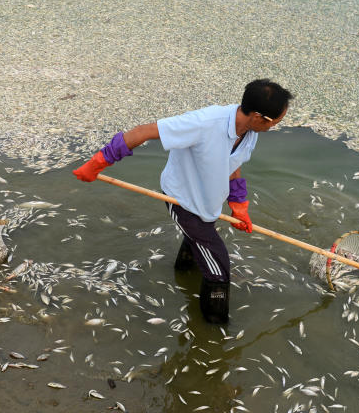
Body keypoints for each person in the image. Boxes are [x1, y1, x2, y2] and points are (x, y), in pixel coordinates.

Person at [73, 79, 293, 324]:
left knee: (198, 239)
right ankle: (214, 333)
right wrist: (99, 162)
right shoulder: (204, 123)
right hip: (182, 200)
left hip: (207, 202)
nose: (274, 127)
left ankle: (184, 270)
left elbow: (233, 165)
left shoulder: (249, 132)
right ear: (257, 116)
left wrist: (238, 204)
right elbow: (143, 132)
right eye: (275, 122)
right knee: (219, 270)